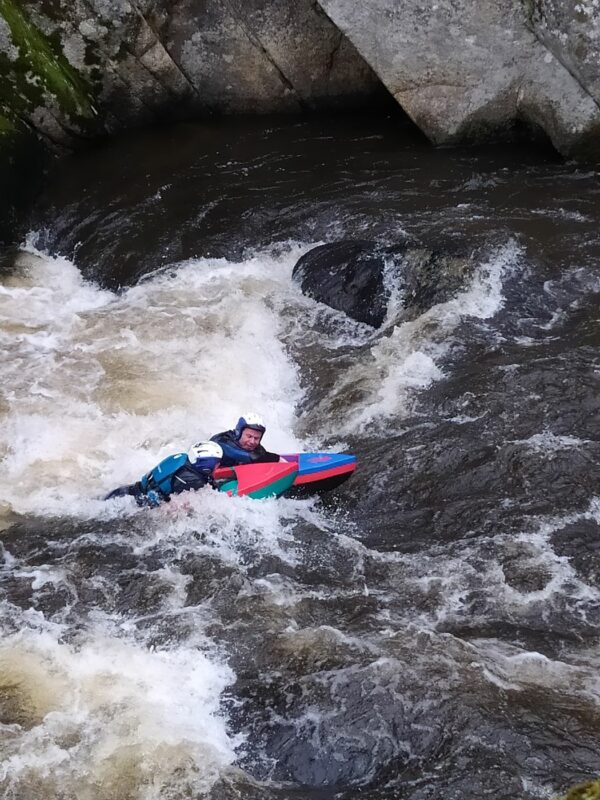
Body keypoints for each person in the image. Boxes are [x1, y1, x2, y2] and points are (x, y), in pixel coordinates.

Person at [105, 441, 223, 507]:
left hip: (125, 491)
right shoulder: (192, 480)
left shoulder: (182, 457)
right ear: (207, 464)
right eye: (217, 462)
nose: (218, 465)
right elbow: (177, 510)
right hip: (131, 505)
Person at [210, 413, 281, 467]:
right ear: (239, 433)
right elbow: (239, 454)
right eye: (249, 436)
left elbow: (264, 458)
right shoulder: (221, 441)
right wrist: (275, 458)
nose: (252, 442)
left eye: (256, 438)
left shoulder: (258, 450)